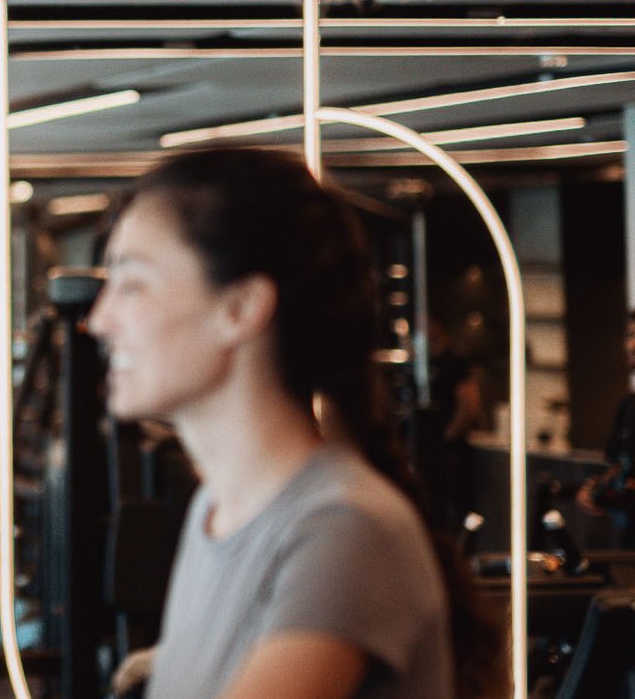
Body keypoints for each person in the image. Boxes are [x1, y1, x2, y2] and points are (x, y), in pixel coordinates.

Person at [87, 149, 503, 699]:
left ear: (240, 307)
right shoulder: (215, 511)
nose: (99, 319)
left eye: (132, 284)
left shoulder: (343, 528)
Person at [576, 309, 635, 545]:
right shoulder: (628, 406)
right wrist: (594, 488)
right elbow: (618, 464)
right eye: (630, 335)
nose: (631, 345)